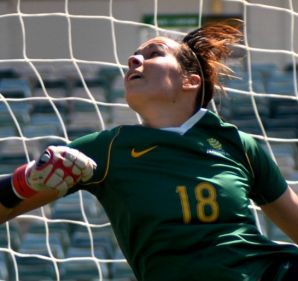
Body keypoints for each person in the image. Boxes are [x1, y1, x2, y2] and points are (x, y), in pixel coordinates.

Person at [0, 20, 298, 281]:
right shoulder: (107, 148)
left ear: (190, 80)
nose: (133, 60)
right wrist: (26, 180)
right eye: (134, 57)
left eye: (154, 54)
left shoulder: (238, 144)